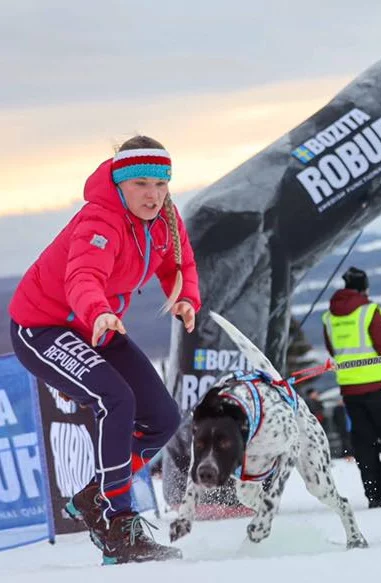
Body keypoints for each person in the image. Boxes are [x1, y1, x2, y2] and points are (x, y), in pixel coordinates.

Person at [8, 136, 199, 564]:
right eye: (141, 184)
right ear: (120, 184)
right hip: (44, 327)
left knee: (163, 418)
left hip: (96, 324)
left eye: (161, 184)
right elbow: (83, 276)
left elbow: (180, 263)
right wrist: (98, 311)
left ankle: (95, 496)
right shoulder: (101, 219)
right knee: (117, 399)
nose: (152, 195)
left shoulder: (165, 217)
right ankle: (119, 527)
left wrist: (186, 297)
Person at [321, 267, 381, 507]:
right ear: (365, 287)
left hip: (349, 389)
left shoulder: (329, 317)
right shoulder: (369, 311)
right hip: (378, 385)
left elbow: (334, 350)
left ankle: (374, 494)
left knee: (364, 442)